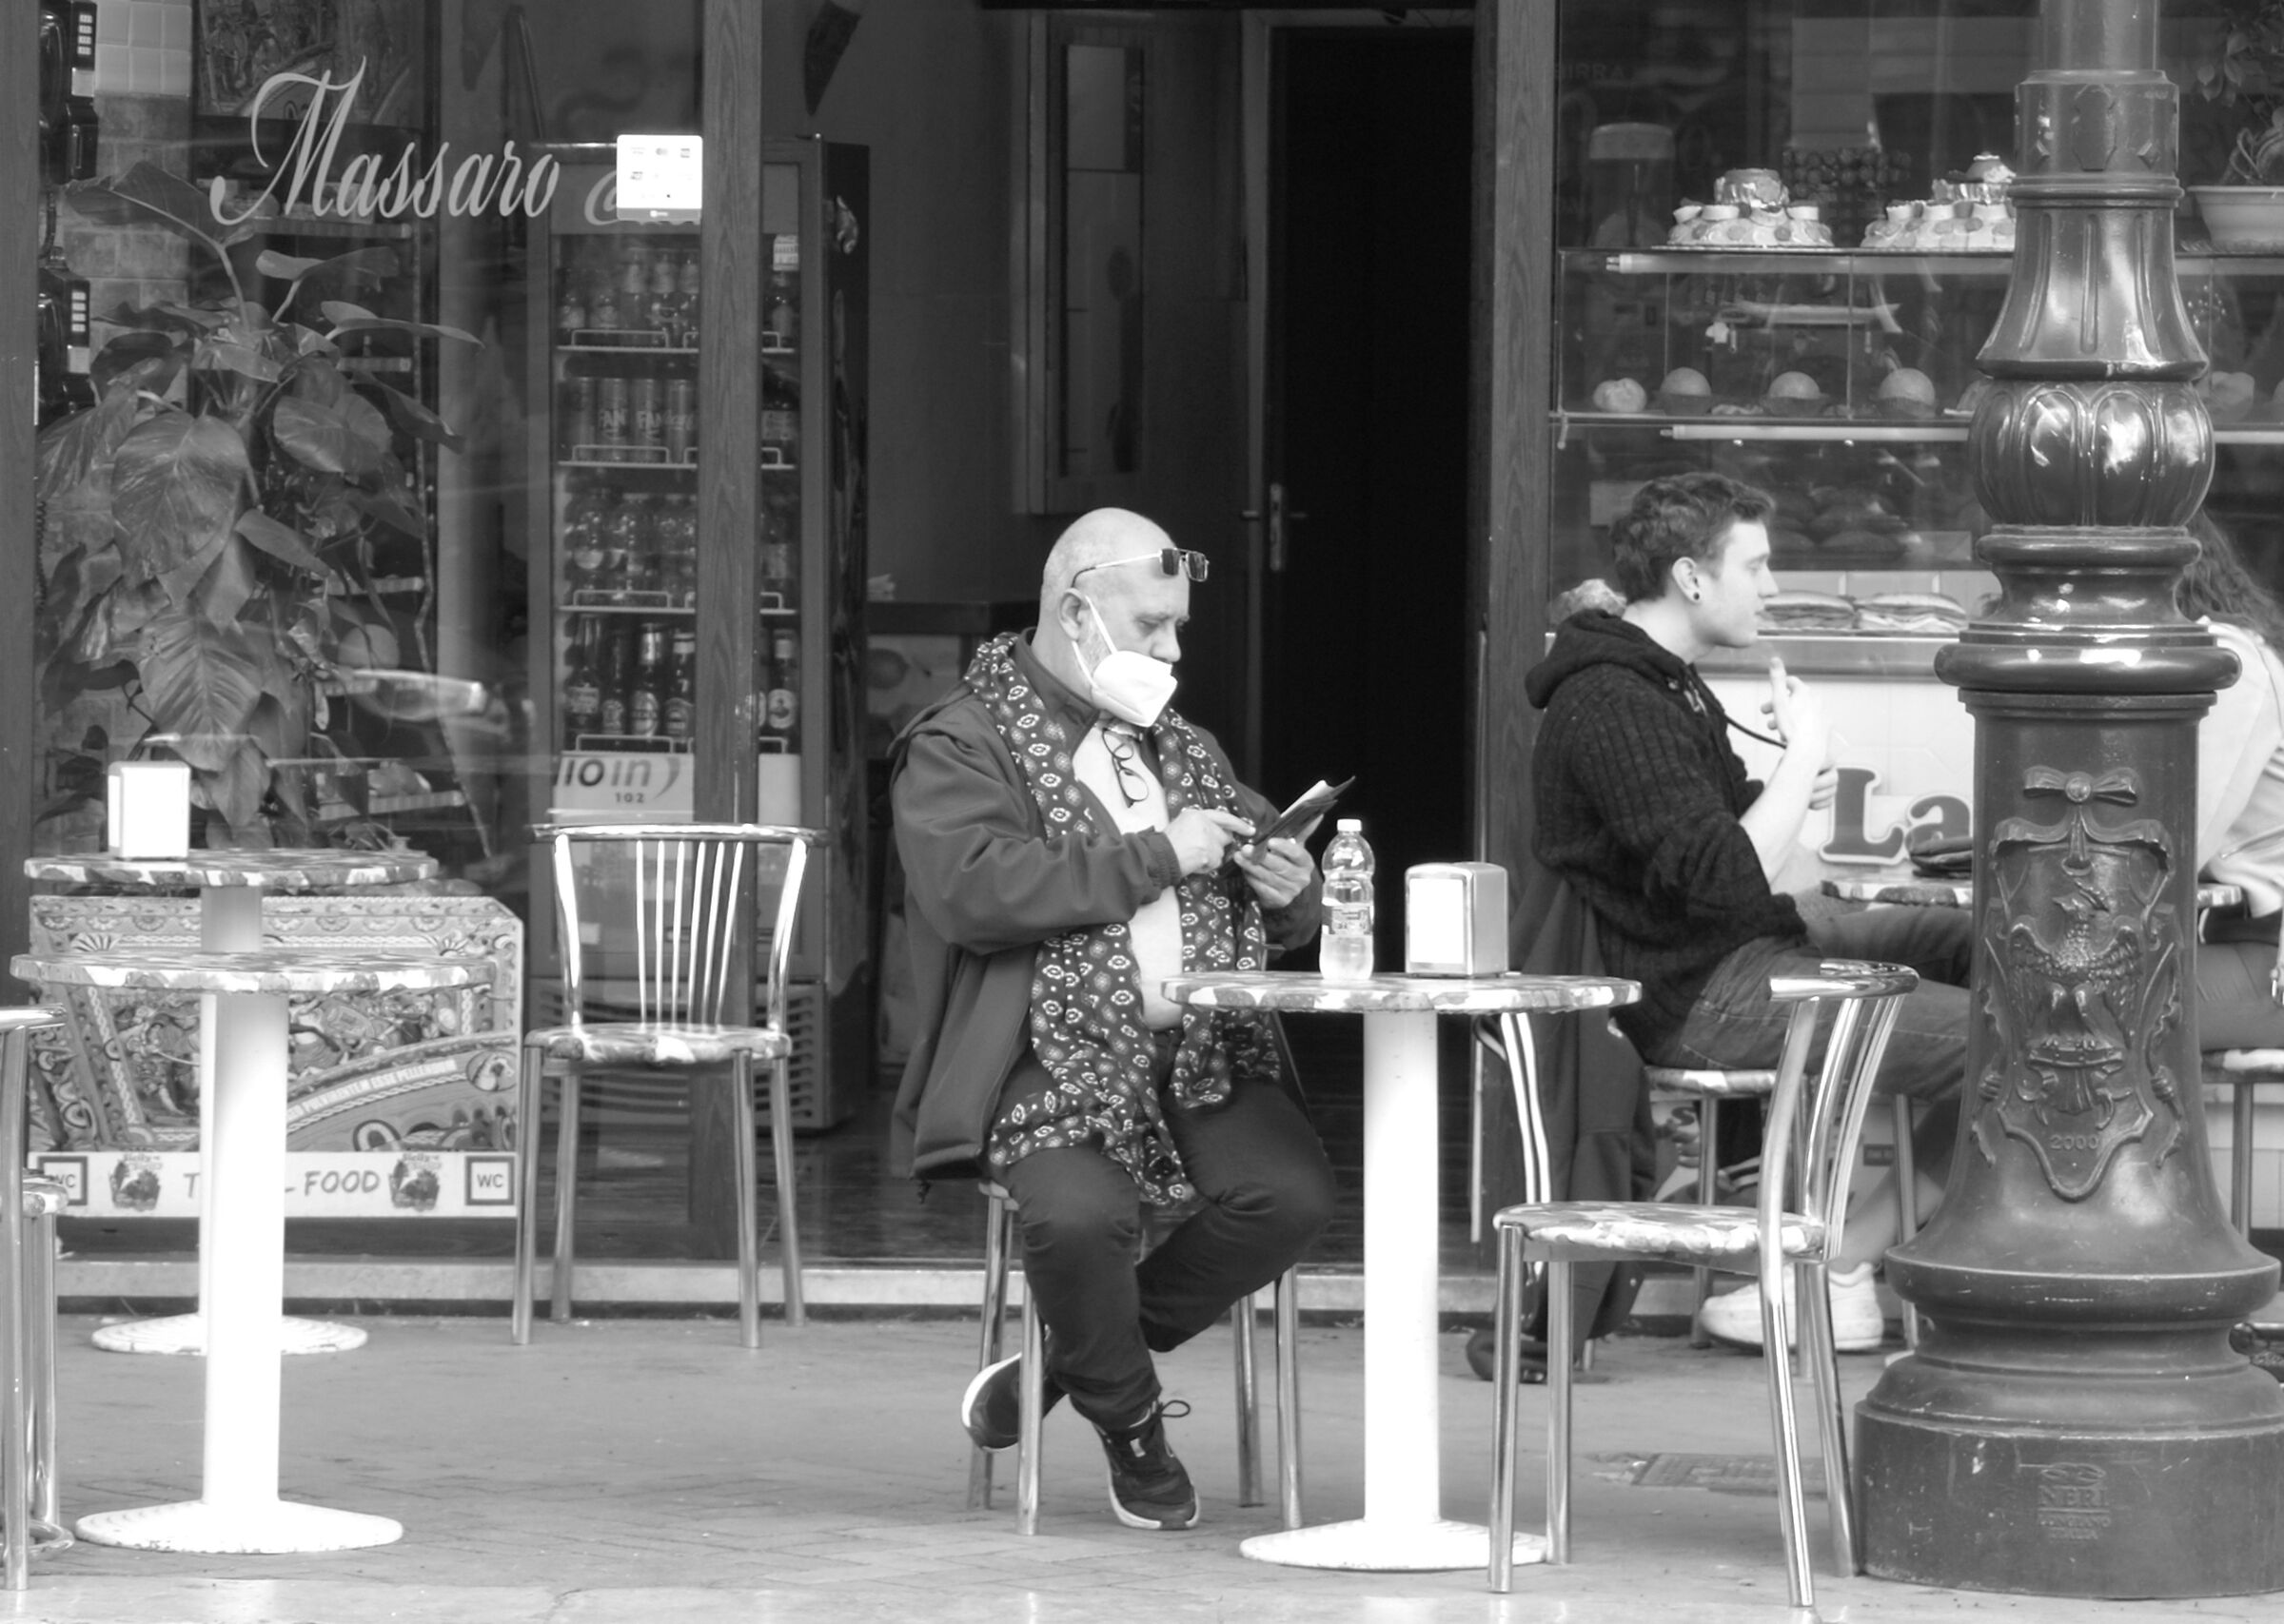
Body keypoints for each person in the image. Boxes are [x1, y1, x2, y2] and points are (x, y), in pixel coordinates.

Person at [889, 507, 1335, 1531]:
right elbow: (971, 890)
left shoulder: (1182, 743)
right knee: (1079, 1216)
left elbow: (1266, 872)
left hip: (1201, 1046)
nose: (1173, 651)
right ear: (1076, 608)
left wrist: (1286, 884)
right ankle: (1132, 1426)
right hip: (1042, 1050)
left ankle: (1069, 1359)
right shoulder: (962, 737)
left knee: (1290, 1196)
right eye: (1152, 626)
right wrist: (1159, 856)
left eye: (1180, 627)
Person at [1526, 472, 1973, 1351]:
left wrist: (1792, 794)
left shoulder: (1668, 686)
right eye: (1758, 565)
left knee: (1994, 949)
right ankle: (1845, 1262)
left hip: (1743, 951)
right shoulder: (1614, 700)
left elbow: (1755, 866)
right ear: (1692, 578)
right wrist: (1806, 757)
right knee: (2017, 1040)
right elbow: (1731, 880)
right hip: (1696, 994)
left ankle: (1874, 1252)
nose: (1772, 588)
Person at [2188, 514, 2284, 1047]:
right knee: (2029, 1004)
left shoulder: (2230, 663)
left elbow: (2180, 840)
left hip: (2271, 961)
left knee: (2065, 1012)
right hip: (2239, 942)